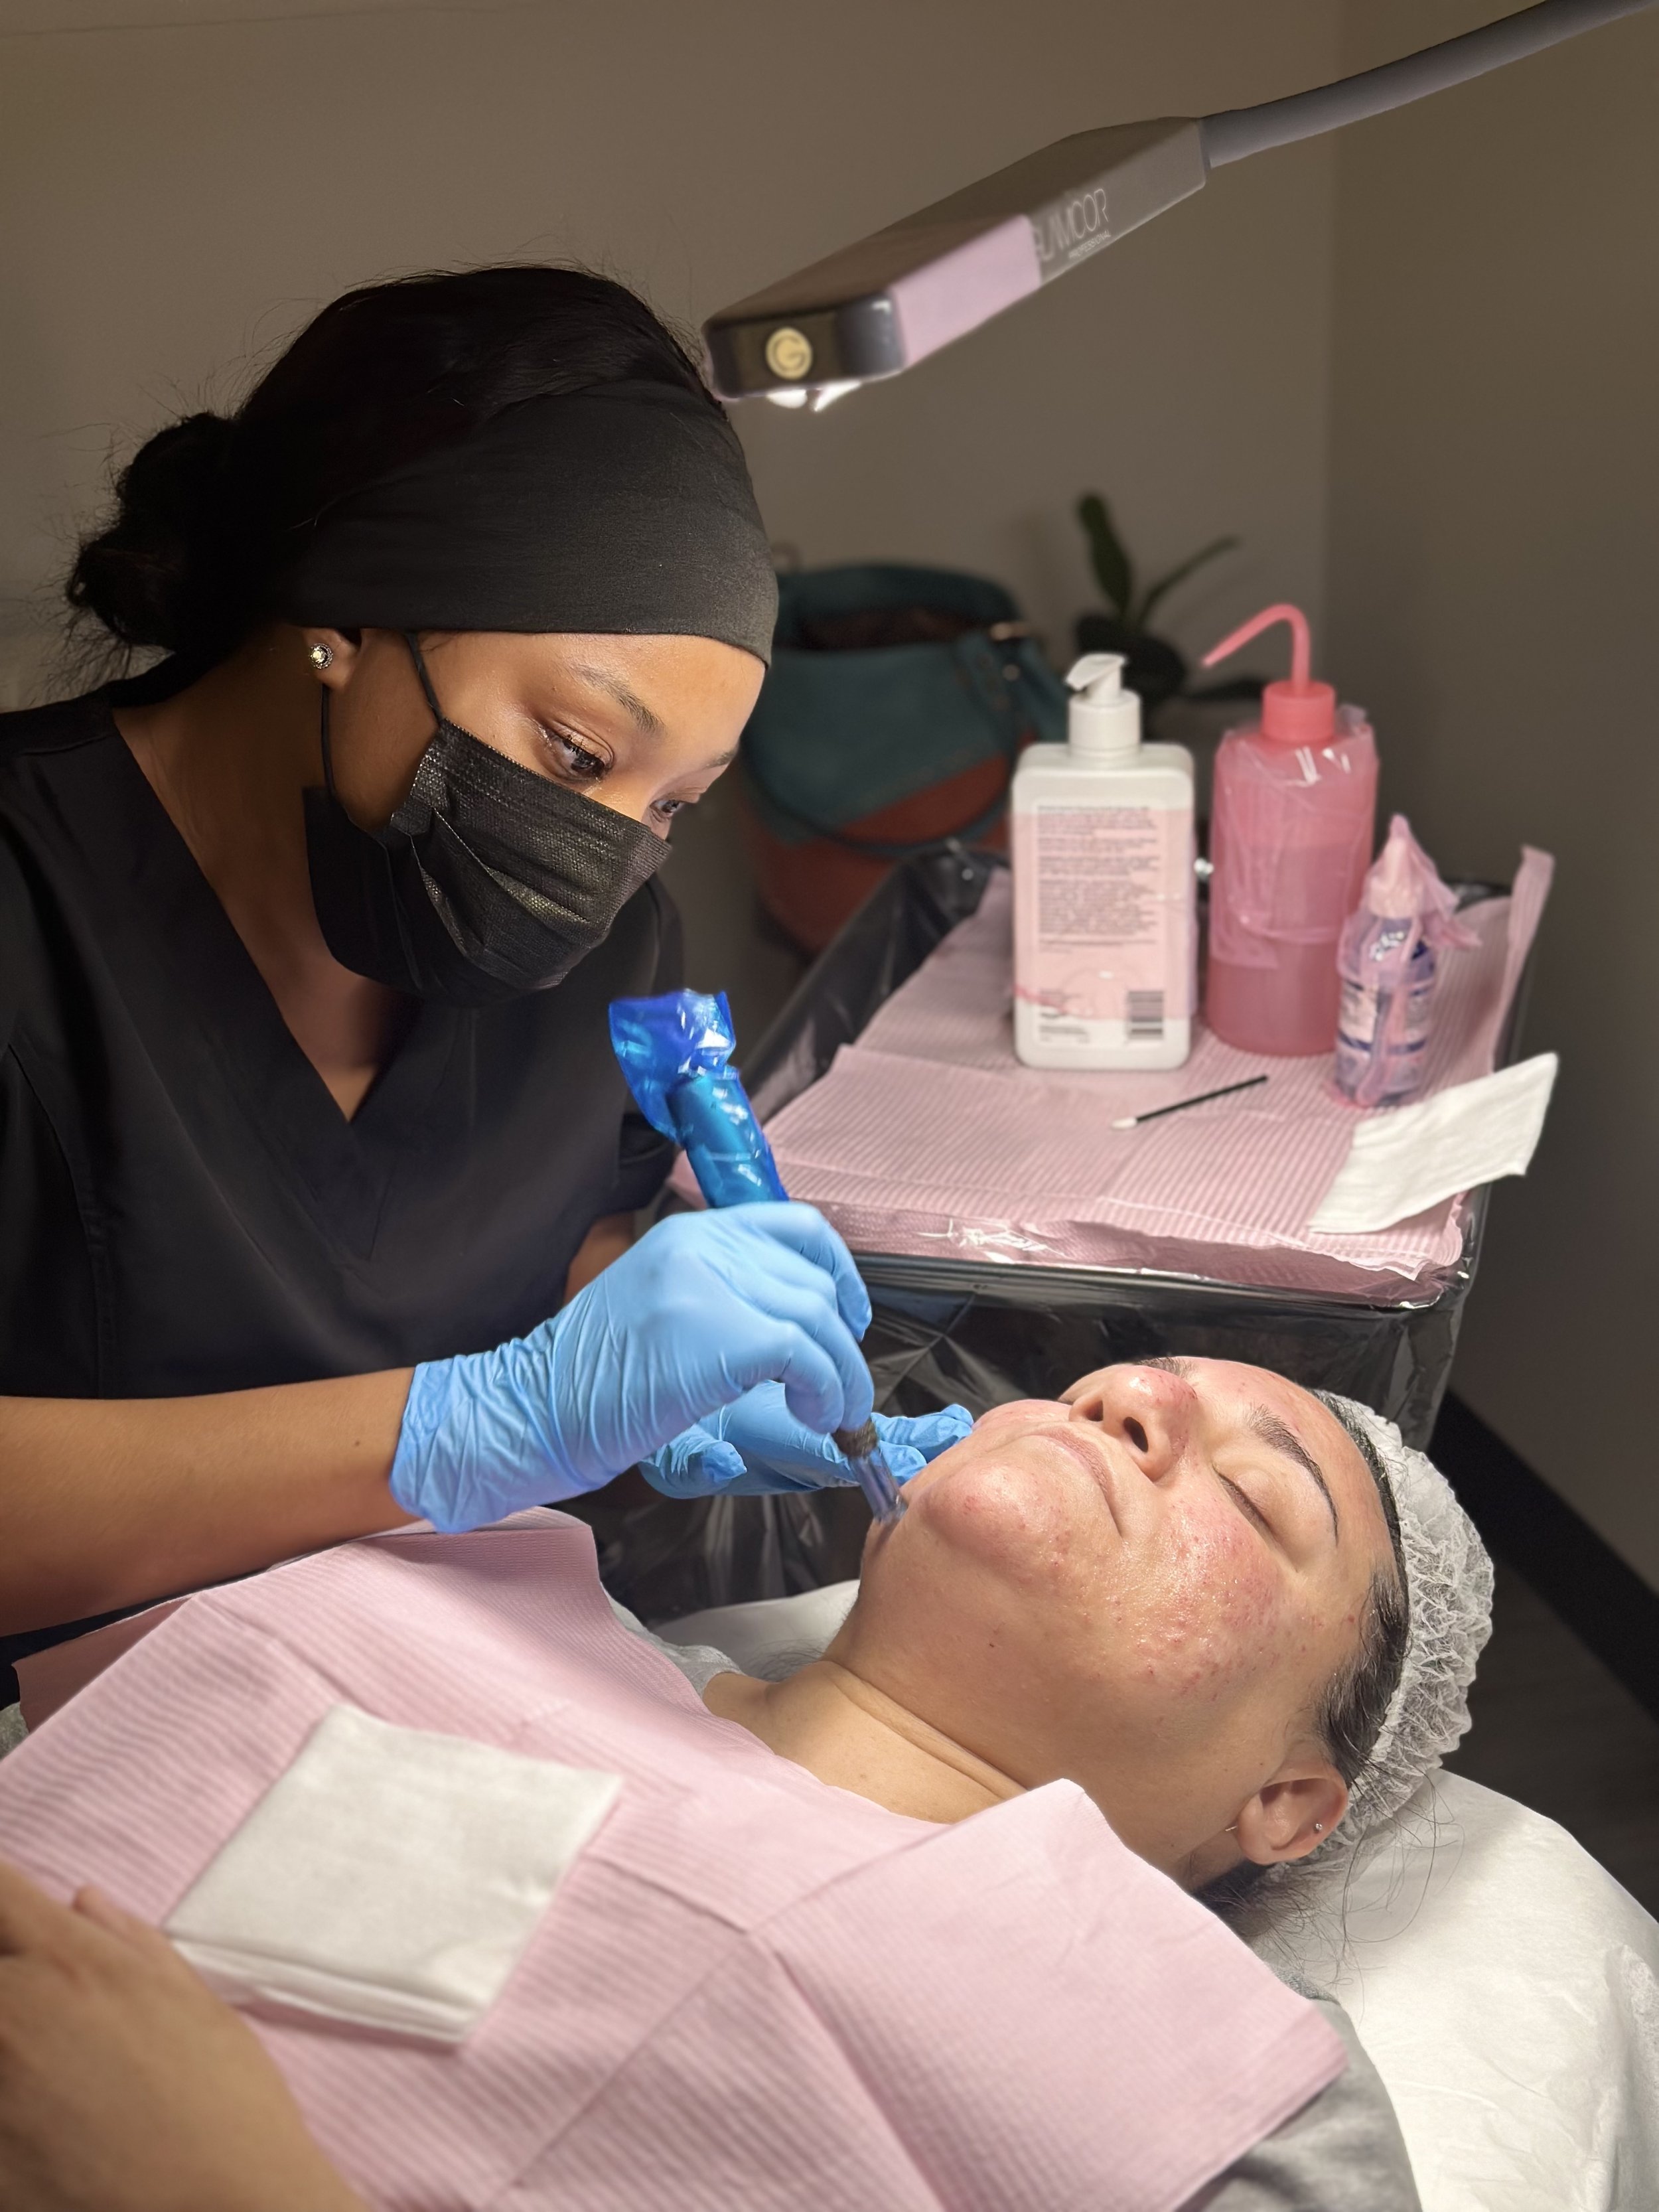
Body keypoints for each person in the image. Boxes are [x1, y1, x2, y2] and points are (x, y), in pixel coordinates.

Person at [0, 265, 968, 1692]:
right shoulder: (32, 900)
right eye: (576, 753)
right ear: (341, 615)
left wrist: (675, 1372)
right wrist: (466, 1426)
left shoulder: (602, 945)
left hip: (421, 1716)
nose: (605, 854)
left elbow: (550, 1232)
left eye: (672, 802)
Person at [0, 1358, 1493, 2210]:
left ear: (1287, 1801)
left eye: (1254, 1493)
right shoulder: (471, 1582)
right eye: (1104, 1386)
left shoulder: (1225, 2083)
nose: (1122, 1401)